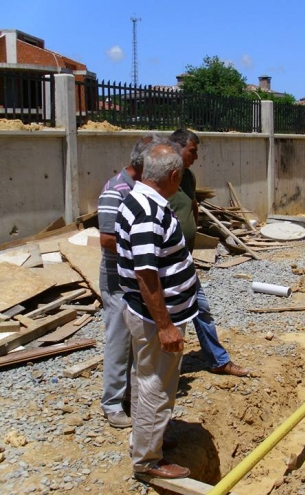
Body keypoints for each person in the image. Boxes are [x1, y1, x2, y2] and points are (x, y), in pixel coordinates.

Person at [116, 142, 196, 479]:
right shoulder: (148, 212)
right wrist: (165, 325)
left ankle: (147, 442)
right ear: (174, 175)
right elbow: (146, 272)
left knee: (146, 379)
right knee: (155, 386)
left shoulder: (139, 198)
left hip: (149, 314)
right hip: (154, 319)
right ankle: (148, 462)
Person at [168, 129, 249, 377]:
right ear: (177, 148)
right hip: (165, 264)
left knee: (200, 308)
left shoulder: (188, 177)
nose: (196, 156)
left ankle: (217, 360)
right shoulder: (161, 179)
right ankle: (153, 377)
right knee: (164, 318)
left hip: (184, 261)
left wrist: (190, 244)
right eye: (193, 151)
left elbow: (192, 206)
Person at [98, 134, 161, 428]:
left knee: (136, 341)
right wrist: (142, 251)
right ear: (143, 162)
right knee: (118, 340)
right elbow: (107, 238)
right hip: (118, 280)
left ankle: (129, 397)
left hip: (135, 279)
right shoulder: (116, 190)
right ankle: (112, 403)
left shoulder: (140, 188)